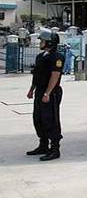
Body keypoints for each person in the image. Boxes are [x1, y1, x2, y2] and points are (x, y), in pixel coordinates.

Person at [26, 29, 65, 161]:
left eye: (42, 41)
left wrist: (47, 93)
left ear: (49, 42)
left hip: (51, 92)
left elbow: (55, 76)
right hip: (40, 91)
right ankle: (43, 145)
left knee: (50, 119)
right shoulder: (40, 57)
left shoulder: (57, 57)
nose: (40, 43)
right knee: (38, 118)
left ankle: (55, 149)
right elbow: (37, 75)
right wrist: (32, 89)